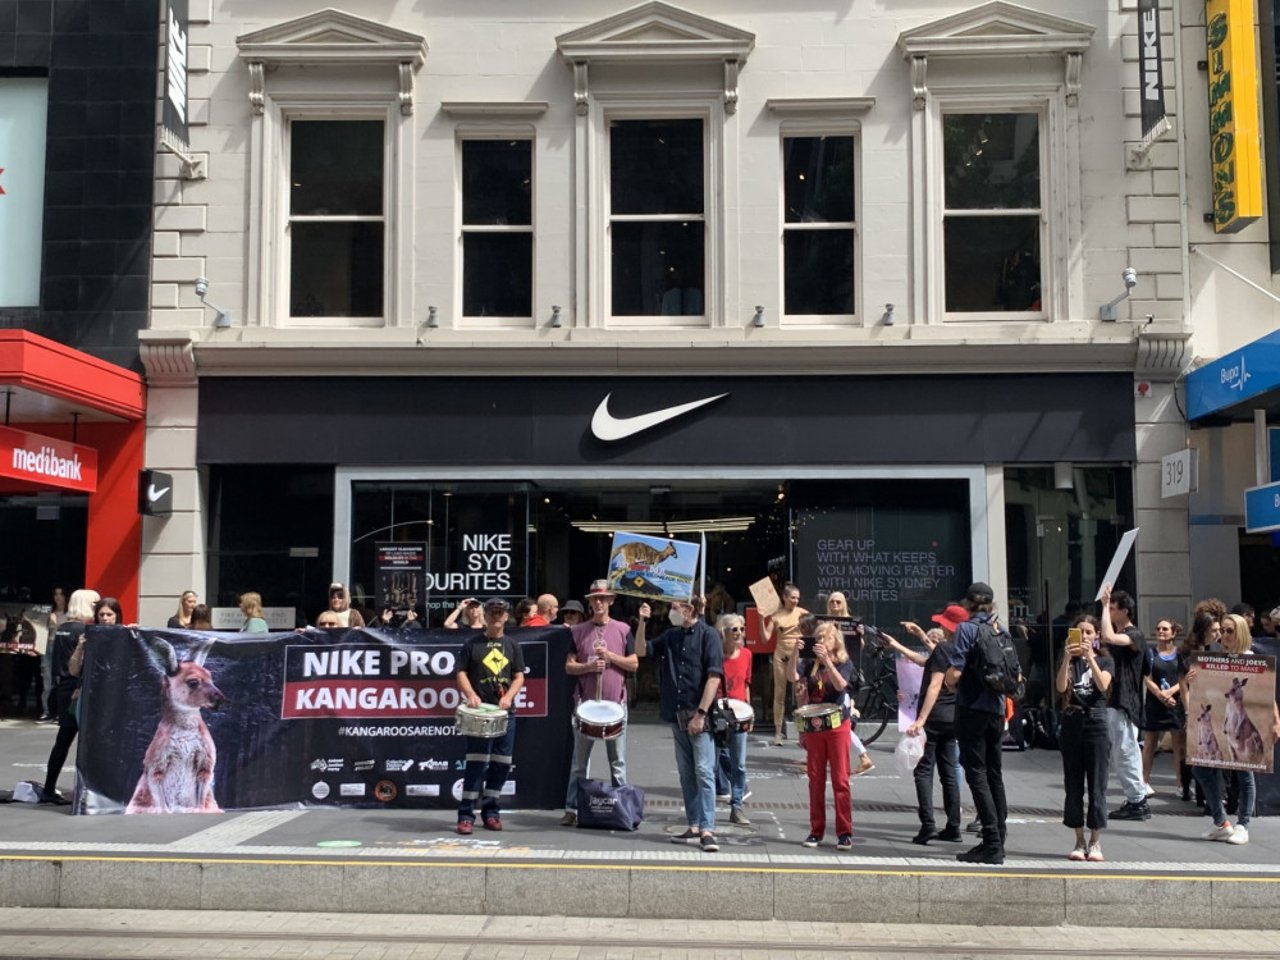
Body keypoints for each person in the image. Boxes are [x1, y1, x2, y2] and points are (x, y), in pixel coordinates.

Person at [637, 595, 724, 853]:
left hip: (699, 715)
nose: (670, 611)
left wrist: (701, 713)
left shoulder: (709, 636)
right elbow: (642, 651)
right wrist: (642, 622)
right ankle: (694, 824)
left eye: (675, 607)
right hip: (676, 714)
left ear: (688, 609)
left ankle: (707, 828)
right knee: (687, 773)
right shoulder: (671, 636)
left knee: (704, 771)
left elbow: (714, 677)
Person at [1184, 613, 1280, 846]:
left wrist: (1275, 721)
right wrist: (1192, 680)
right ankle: (1221, 821)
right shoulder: (1216, 658)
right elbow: (1205, 690)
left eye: (1229, 631)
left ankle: (1243, 824)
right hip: (1221, 719)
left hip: (1242, 724)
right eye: (1221, 631)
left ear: (1240, 633)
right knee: (1201, 769)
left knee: (1244, 772)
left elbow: (1268, 695)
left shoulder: (1251, 658)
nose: (1223, 636)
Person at [945, 581, 1018, 865]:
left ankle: (991, 843)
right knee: (994, 772)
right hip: (997, 709)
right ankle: (999, 833)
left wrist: (951, 684)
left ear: (968, 604)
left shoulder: (967, 629)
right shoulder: (1001, 630)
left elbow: (955, 672)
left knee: (976, 773)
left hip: (972, 708)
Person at [560, 580, 638, 826]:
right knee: (579, 763)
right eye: (595, 599)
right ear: (590, 602)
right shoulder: (577, 631)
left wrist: (612, 657)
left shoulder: (624, 629)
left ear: (611, 601)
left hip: (616, 704)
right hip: (585, 705)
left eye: (603, 598)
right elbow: (569, 666)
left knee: (618, 761)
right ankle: (572, 808)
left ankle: (623, 807)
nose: (599, 603)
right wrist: (589, 666)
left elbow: (634, 664)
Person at [455, 597, 525, 834]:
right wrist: (471, 694)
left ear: (506, 616)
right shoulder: (472, 644)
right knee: (476, 764)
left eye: (500, 613)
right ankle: (466, 815)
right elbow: (461, 672)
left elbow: (519, 676)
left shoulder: (513, 645)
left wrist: (510, 697)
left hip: (505, 713)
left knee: (501, 765)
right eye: (492, 612)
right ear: (485, 615)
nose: (496, 616)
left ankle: (491, 811)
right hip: (480, 714)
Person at [904, 604, 969, 845]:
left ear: (947, 626)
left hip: (935, 716)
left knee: (923, 770)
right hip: (954, 716)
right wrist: (919, 636)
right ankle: (953, 826)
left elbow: (934, 685)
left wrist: (920, 720)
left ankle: (928, 825)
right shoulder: (964, 649)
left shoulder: (944, 648)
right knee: (949, 772)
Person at [789, 620, 855, 850]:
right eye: (817, 638)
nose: (820, 642)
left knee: (840, 779)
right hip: (815, 723)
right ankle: (816, 830)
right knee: (815, 779)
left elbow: (840, 685)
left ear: (835, 641)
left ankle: (844, 832)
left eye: (825, 638)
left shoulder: (844, 662)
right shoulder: (809, 663)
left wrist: (827, 661)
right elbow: (792, 678)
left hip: (837, 723)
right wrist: (794, 655)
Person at [1055, 614, 1113, 862]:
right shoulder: (1069, 660)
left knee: (1097, 785)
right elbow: (1059, 688)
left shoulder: (1106, 660)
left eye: (1090, 632)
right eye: (1080, 632)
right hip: (1072, 722)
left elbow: (1102, 685)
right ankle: (1078, 840)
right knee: (1074, 784)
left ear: (1097, 635)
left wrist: (1090, 657)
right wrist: (1068, 656)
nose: (1085, 636)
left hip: (1097, 722)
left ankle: (1095, 841)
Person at [40, 588, 98, 804]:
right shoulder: (83, 631)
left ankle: (48, 787)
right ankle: (87, 789)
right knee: (87, 741)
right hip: (78, 687)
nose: (97, 609)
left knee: (63, 741)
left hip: (63, 687)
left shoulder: (63, 628)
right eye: (94, 604)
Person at [1099, 583, 1150, 821]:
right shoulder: (1124, 636)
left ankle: (1137, 800)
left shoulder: (1134, 635)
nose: (1109, 611)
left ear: (1125, 611)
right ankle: (1135, 798)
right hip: (1116, 699)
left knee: (1125, 751)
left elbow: (1107, 636)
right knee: (1121, 752)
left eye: (1112, 608)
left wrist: (1102, 605)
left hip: (1125, 701)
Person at [827, 594, 875, 776]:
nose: (834, 604)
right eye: (831, 601)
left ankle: (863, 756)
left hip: (845, 673)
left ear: (844, 604)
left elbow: (859, 647)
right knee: (835, 718)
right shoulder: (826, 623)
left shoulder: (850, 623)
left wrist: (859, 635)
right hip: (830, 672)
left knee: (841, 720)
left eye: (838, 601)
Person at [714, 612, 752, 825]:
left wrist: (750, 711)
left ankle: (736, 806)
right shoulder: (715, 655)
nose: (738, 633)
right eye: (734, 630)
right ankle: (707, 808)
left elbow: (746, 684)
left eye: (741, 629)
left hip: (740, 713)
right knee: (712, 762)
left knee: (739, 764)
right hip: (718, 711)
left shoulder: (747, 654)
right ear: (723, 633)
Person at [1141, 618, 1187, 795]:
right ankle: (1143, 782)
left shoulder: (1181, 653)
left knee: (1179, 744)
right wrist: (1160, 694)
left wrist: (1171, 693)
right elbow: (1146, 677)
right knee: (1150, 742)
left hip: (1176, 703)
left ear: (1173, 633)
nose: (1161, 631)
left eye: (1165, 629)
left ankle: (1181, 784)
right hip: (1155, 702)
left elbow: (1184, 678)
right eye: (1158, 628)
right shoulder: (1150, 653)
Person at [760, 583, 808, 745]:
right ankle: (778, 733)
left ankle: (803, 733)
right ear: (785, 598)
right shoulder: (776, 616)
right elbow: (765, 638)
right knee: (779, 695)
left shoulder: (802, 613)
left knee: (800, 694)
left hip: (798, 656)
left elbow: (816, 627)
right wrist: (761, 619)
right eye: (793, 597)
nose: (795, 601)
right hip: (780, 655)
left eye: (798, 598)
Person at [40, 587, 69, 721]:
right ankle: (47, 711)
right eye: (55, 594)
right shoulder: (48, 612)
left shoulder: (70, 614)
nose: (58, 597)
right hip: (47, 646)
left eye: (61, 594)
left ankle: (59, 711)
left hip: (62, 647)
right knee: (47, 679)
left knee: (60, 680)